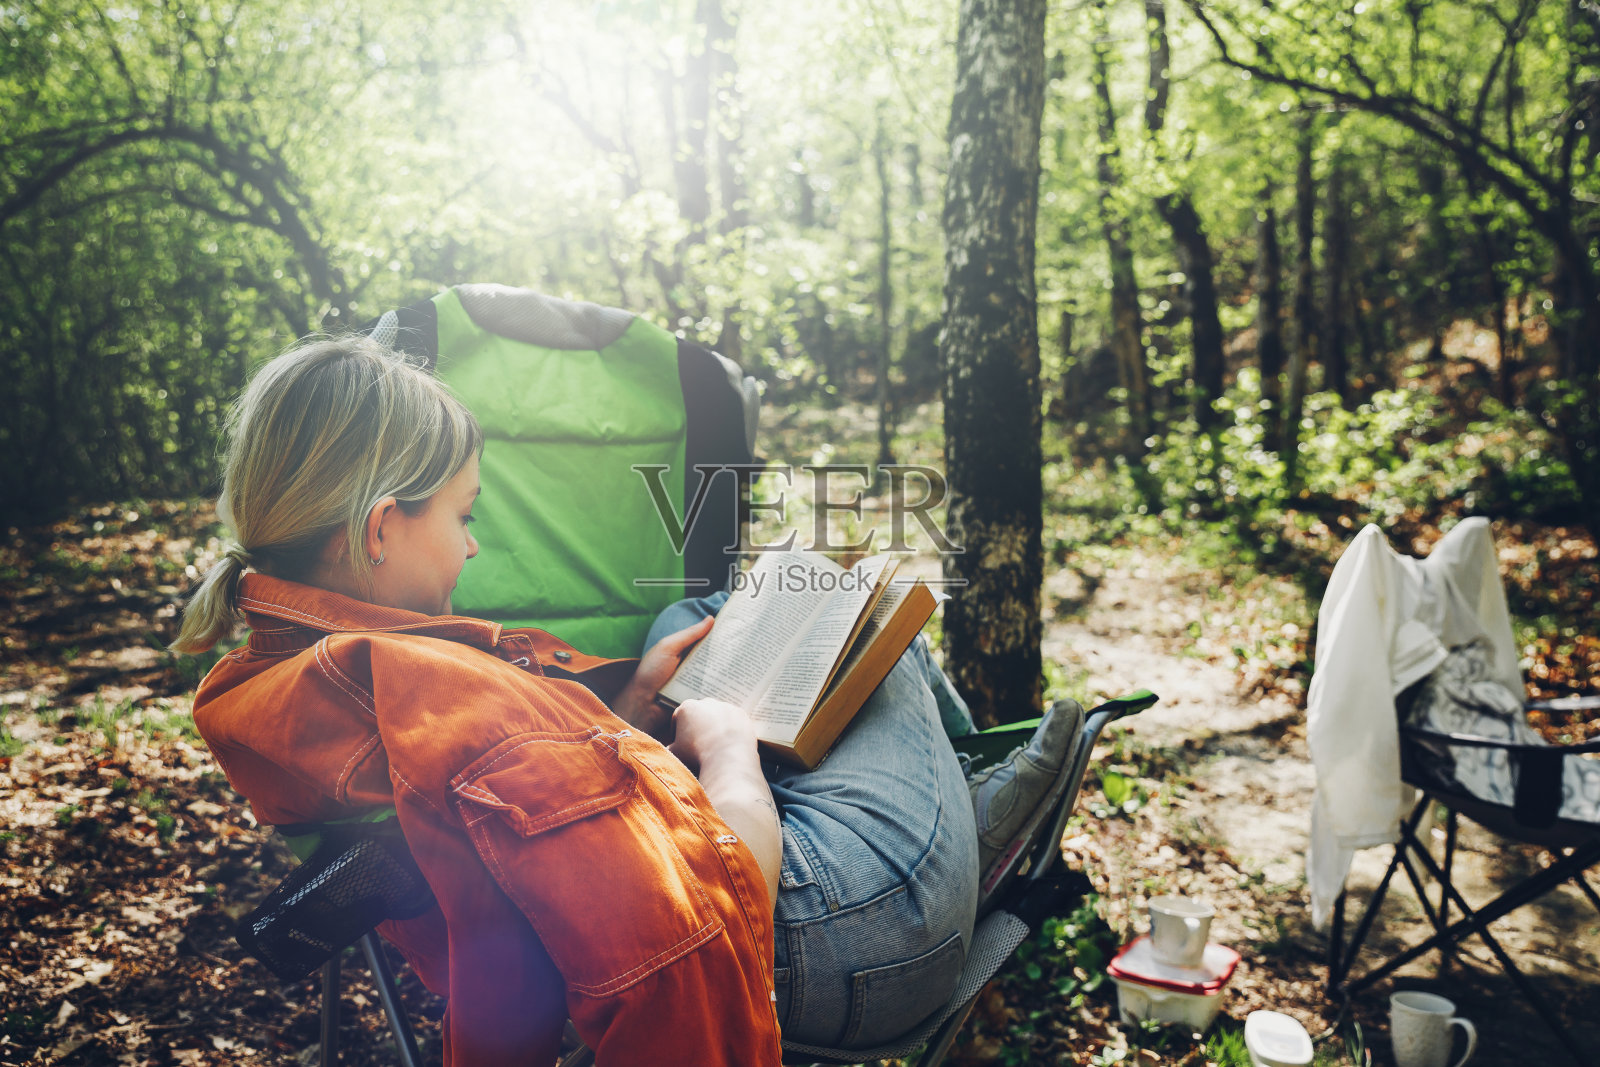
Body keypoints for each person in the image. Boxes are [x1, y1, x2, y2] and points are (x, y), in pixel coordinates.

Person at [175, 335, 990, 1065]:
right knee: (870, 614)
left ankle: (960, 784)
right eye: (463, 514)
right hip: (845, 926)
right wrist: (735, 750)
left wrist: (627, 711)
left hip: (705, 883)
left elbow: (531, 829)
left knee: (695, 616)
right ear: (381, 527)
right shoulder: (456, 706)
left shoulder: (277, 680)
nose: (473, 543)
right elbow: (696, 933)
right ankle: (981, 795)